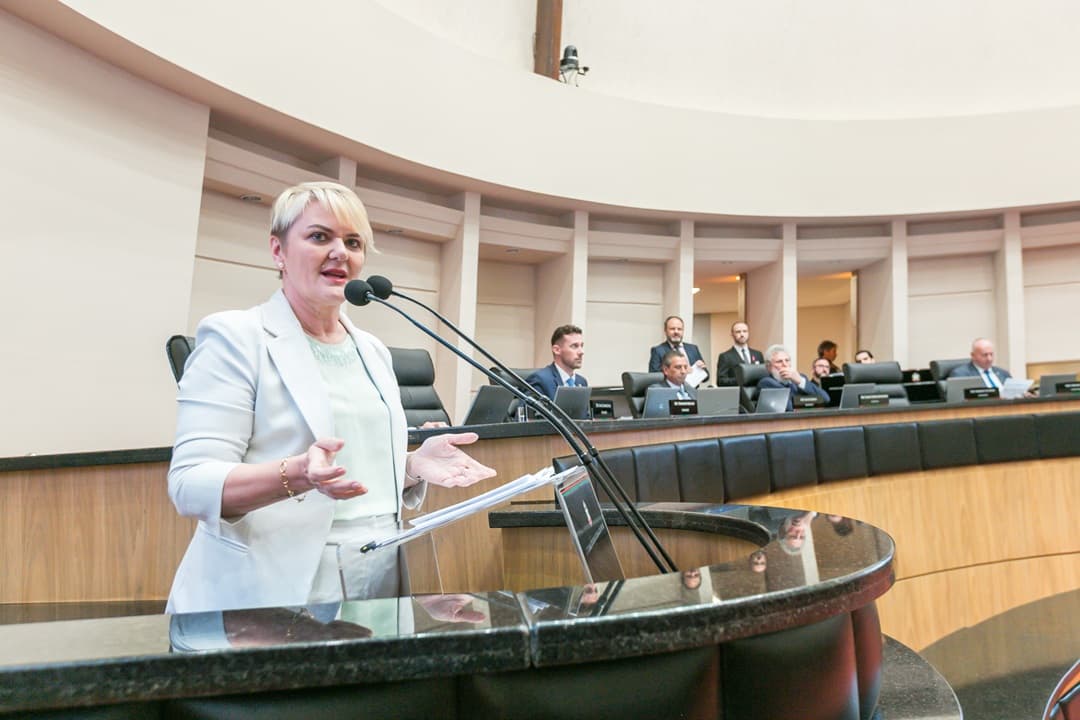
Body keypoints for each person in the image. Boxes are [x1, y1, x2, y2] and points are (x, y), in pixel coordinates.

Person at [167, 181, 496, 614]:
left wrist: (411, 466)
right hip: (270, 594)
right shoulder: (237, 337)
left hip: (379, 578)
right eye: (320, 236)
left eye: (353, 242)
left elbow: (350, 473)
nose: (341, 252)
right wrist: (297, 474)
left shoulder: (372, 350)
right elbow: (190, 485)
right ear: (278, 251)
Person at [757, 344, 830, 410]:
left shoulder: (799, 378)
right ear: (768, 366)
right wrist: (810, 402)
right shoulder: (766, 383)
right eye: (779, 361)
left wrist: (800, 381)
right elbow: (789, 408)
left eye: (787, 360)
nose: (785, 364)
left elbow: (826, 399)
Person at [526, 325, 588, 400]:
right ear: (557, 350)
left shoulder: (582, 382)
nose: (581, 352)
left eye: (581, 346)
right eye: (574, 346)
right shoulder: (540, 380)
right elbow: (528, 407)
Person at [648, 316, 709, 383]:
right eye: (672, 329)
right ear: (665, 331)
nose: (676, 332)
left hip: (692, 389)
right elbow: (654, 377)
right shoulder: (658, 350)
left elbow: (706, 377)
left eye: (679, 329)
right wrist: (682, 372)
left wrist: (701, 370)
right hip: (670, 389)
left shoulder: (693, 349)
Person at [948, 337, 1012, 388]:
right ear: (973, 355)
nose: (989, 359)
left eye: (991, 354)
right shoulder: (961, 374)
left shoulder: (1003, 373)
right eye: (985, 355)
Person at [716, 321, 764, 386]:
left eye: (745, 331)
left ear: (748, 333)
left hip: (756, 391)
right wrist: (741, 380)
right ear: (732, 334)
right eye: (738, 332)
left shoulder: (758, 355)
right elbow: (721, 381)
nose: (742, 334)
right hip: (737, 391)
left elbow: (763, 376)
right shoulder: (725, 357)